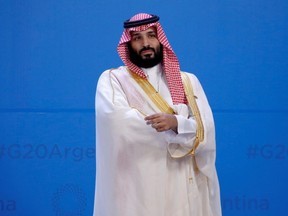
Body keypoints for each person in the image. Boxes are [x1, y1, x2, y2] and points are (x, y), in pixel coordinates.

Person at [94, 13, 222, 216]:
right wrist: (178, 131)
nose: (146, 43)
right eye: (137, 38)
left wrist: (176, 123)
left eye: (151, 35)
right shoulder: (113, 80)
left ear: (160, 39)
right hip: (138, 185)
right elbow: (118, 124)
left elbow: (205, 129)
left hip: (182, 182)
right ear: (128, 43)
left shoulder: (188, 81)